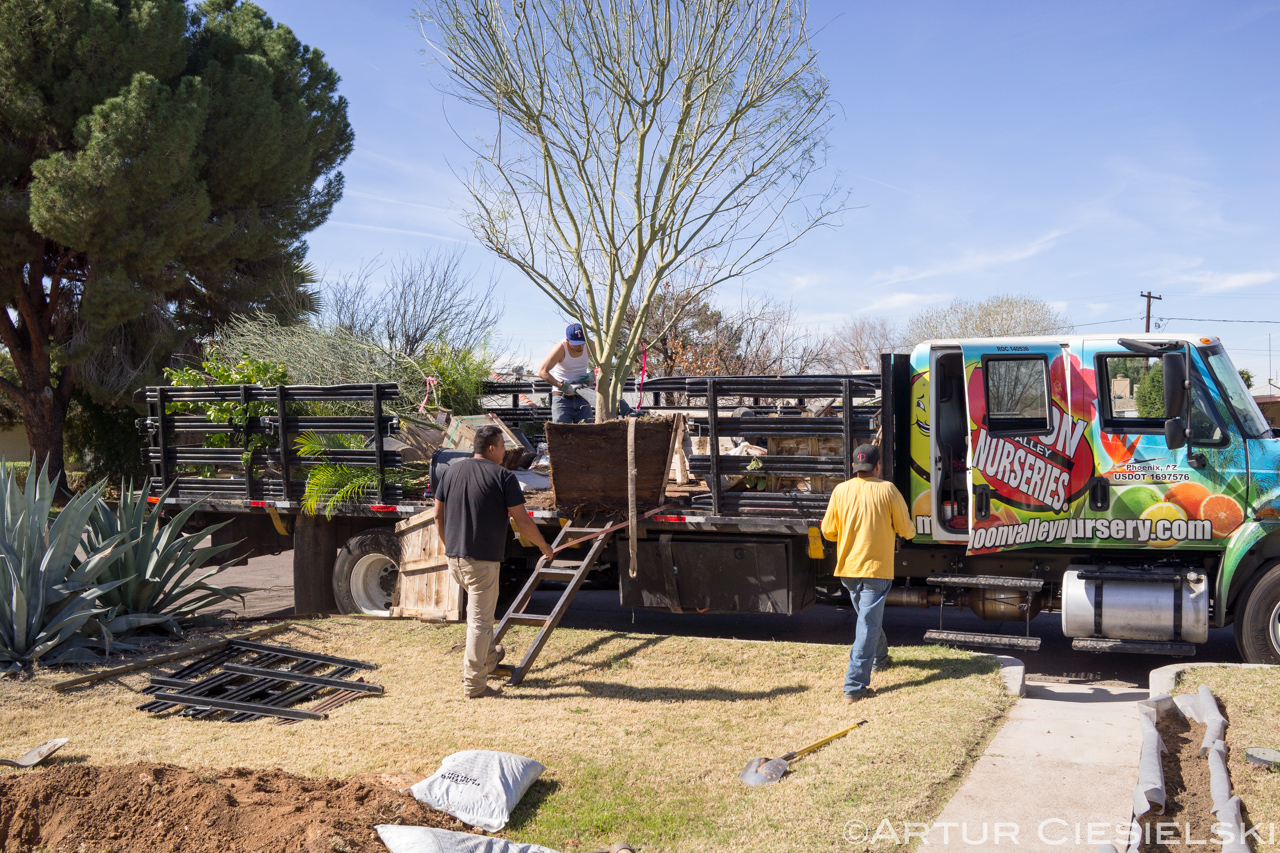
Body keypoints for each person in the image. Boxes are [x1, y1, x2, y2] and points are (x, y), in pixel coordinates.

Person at [433, 424, 555, 699]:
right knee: (478, 621)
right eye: (502, 446)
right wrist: (544, 547)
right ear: (491, 448)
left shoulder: (451, 471)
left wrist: (447, 545)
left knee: (480, 615)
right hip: (482, 562)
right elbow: (522, 520)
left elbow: (437, 515)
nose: (504, 451)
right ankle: (475, 685)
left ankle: (490, 657)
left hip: (455, 559)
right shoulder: (503, 477)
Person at [819, 443, 915, 703]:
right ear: (878, 466)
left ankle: (880, 660)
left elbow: (828, 531)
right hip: (876, 568)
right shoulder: (888, 490)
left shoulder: (841, 490)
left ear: (854, 466)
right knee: (868, 622)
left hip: (848, 568)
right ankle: (854, 686)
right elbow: (907, 530)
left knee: (867, 618)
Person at [536, 322, 635, 423]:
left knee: (587, 433)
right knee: (561, 433)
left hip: (583, 396)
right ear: (567, 340)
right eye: (576, 344)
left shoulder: (591, 346)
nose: (580, 347)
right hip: (562, 398)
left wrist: (593, 375)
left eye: (582, 343)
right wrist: (562, 386)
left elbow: (603, 364)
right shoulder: (560, 349)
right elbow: (543, 372)